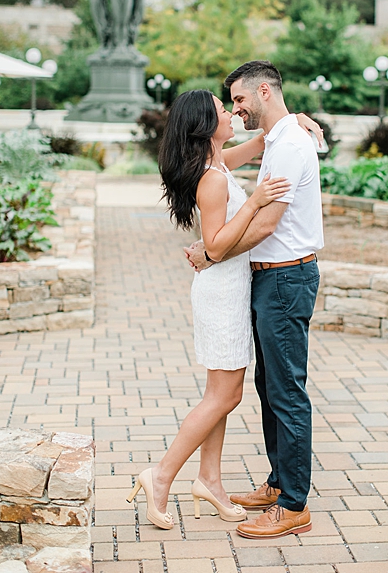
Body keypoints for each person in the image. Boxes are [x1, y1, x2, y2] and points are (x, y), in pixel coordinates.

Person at [126, 89, 292, 529]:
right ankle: (161, 475)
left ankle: (210, 481)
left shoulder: (218, 164)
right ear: (206, 124)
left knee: (218, 397)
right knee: (226, 395)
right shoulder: (213, 177)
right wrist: (255, 201)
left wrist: (296, 123)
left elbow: (259, 143)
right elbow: (217, 244)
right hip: (222, 293)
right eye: (224, 110)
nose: (233, 112)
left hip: (226, 289)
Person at [185, 60, 324, 539]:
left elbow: (266, 225)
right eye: (231, 105)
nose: (236, 109)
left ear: (263, 91)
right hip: (268, 280)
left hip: (286, 279)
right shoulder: (279, 139)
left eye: (240, 99)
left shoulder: (289, 145)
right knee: (271, 387)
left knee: (286, 391)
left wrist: (212, 251)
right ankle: (278, 482)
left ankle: (294, 503)